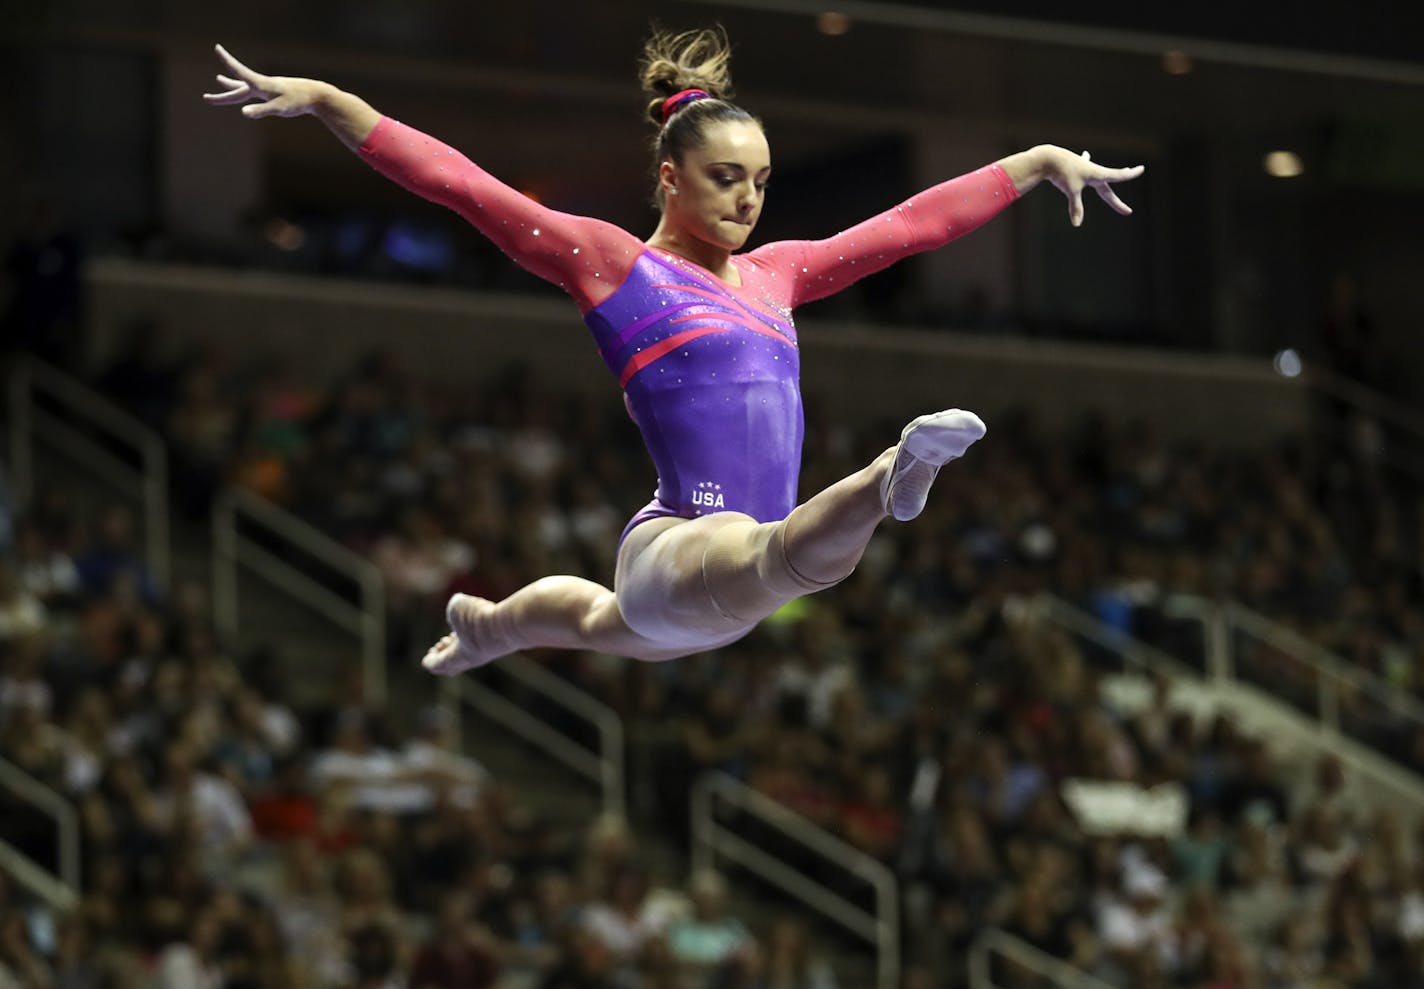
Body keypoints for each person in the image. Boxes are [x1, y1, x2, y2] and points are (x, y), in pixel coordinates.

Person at [204, 29, 1142, 671]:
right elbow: (467, 189)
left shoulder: (779, 274)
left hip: (707, 601)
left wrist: (1033, 163)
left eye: (762, 183)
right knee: (774, 557)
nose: (748, 201)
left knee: (582, 620)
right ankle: (895, 470)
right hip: (687, 544)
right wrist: (333, 102)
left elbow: (906, 228)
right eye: (725, 179)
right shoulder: (618, 269)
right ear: (668, 176)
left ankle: (488, 629)